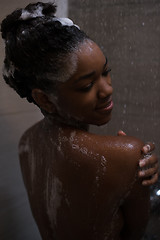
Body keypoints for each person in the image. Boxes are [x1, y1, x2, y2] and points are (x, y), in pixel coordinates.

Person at [1, 2, 158, 240]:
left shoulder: (26, 143)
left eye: (106, 72)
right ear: (44, 99)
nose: (107, 90)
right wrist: (129, 163)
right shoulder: (126, 156)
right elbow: (135, 234)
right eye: (86, 85)